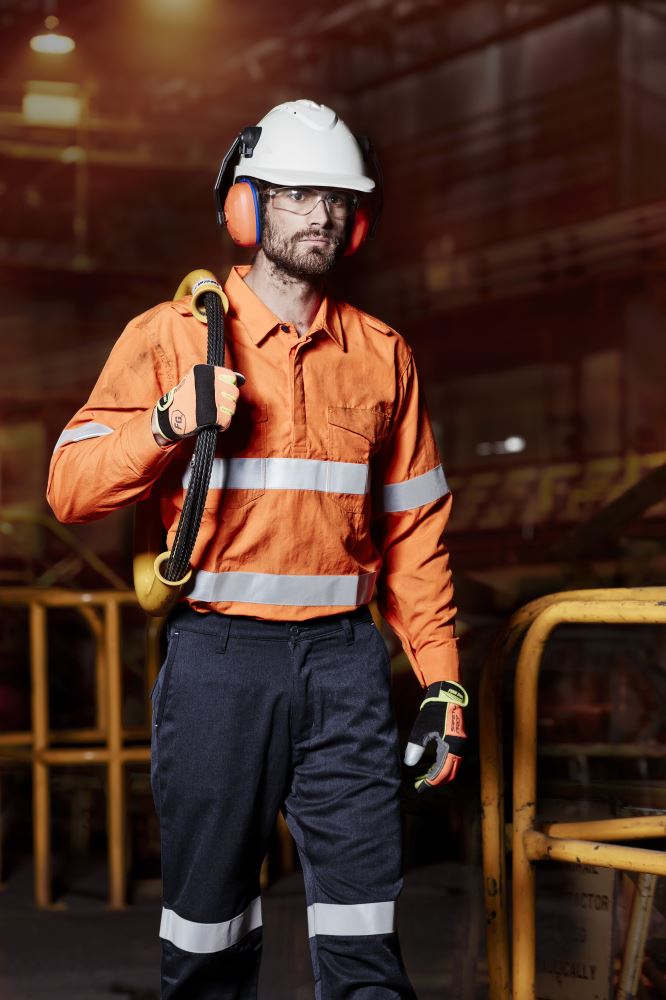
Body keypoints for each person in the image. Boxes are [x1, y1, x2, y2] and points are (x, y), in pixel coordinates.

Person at [47, 99, 468, 1000]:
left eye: (338, 199)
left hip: (348, 666)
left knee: (365, 939)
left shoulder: (384, 356)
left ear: (358, 220)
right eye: (296, 195)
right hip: (218, 661)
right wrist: (167, 421)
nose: (319, 215)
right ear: (248, 208)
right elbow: (69, 490)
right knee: (208, 937)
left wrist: (441, 680)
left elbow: (415, 536)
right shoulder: (167, 338)